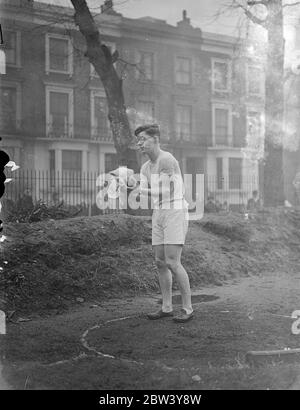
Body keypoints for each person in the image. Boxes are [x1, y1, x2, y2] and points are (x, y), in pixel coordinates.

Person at [134, 124, 193, 323]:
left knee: (173, 262)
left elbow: (167, 192)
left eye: (143, 139)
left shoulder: (167, 159)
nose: (140, 143)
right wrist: (130, 186)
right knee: (160, 262)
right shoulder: (144, 167)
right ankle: (167, 307)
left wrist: (137, 190)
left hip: (175, 208)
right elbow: (144, 190)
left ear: (156, 139)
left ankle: (187, 308)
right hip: (159, 211)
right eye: (138, 140)